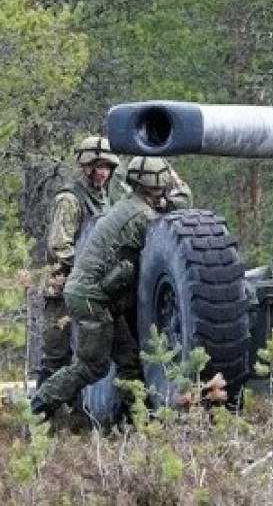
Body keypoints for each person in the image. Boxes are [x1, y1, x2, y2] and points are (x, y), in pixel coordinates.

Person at [30, 156, 178, 420]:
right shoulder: (141, 215)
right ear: (150, 187)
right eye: (160, 187)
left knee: (129, 360)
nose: (163, 191)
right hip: (91, 297)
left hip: (98, 296)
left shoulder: (131, 205)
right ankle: (37, 408)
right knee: (91, 367)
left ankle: (141, 421)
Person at [37, 136, 122, 387]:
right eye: (98, 167)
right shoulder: (69, 199)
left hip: (90, 290)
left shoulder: (105, 198)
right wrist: (87, 270)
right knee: (56, 354)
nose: (103, 173)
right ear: (86, 167)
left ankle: (75, 415)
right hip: (62, 286)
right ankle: (43, 417)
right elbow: (59, 245)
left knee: (88, 354)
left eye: (107, 167)